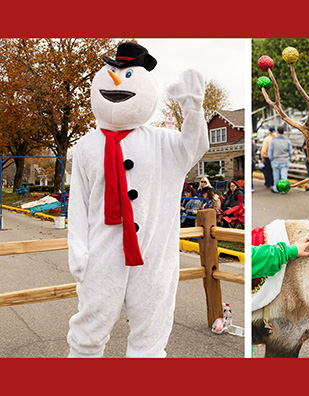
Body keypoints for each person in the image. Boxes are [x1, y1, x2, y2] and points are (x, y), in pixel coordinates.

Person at [67, 42, 209, 357]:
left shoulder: (165, 142)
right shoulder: (86, 146)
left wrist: (193, 106)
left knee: (151, 333)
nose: (118, 83)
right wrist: (78, 248)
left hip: (155, 254)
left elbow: (195, 146)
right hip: (102, 255)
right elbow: (78, 203)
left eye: (128, 75)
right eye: (114, 74)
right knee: (89, 329)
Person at [268, 126, 293, 193]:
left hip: (275, 160)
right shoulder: (287, 140)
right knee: (284, 176)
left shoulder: (273, 140)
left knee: (276, 176)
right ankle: (284, 189)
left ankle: (276, 188)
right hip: (285, 160)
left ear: (277, 132)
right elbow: (290, 151)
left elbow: (270, 150)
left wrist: (271, 158)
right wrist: (289, 158)